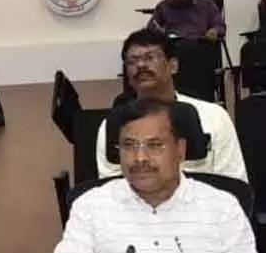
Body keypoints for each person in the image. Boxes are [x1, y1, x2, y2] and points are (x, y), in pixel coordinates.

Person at [43, 98, 266, 253]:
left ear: (180, 150)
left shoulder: (222, 207)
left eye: (154, 145)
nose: (140, 158)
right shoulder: (92, 206)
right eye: (129, 146)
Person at [95, 29, 246, 181]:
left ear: (173, 65)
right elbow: (110, 189)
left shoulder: (214, 116)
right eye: (132, 61)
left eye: (150, 57)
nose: (140, 65)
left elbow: (233, 184)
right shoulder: (113, 125)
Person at [147, 0, 225, 42]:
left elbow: (220, 25)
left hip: (200, 44)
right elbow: (152, 26)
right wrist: (157, 32)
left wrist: (214, 30)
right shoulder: (164, 6)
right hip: (172, 44)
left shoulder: (207, 5)